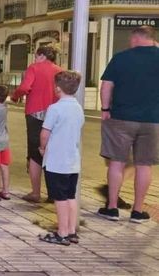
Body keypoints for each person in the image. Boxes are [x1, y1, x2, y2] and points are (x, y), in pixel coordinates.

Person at [97, 25, 159, 223]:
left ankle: (112, 208)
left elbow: (107, 85)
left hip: (120, 118)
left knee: (117, 163)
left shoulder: (121, 58)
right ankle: (138, 211)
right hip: (152, 120)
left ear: (135, 38)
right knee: (144, 165)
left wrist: (105, 109)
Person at [38, 70, 84, 246]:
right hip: (73, 161)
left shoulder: (55, 108)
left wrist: (42, 148)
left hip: (57, 162)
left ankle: (62, 233)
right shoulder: (78, 108)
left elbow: (45, 133)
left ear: (57, 88)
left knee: (60, 198)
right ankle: (71, 231)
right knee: (71, 196)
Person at [11, 45, 62, 203]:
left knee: (35, 153)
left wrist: (15, 96)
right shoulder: (60, 70)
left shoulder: (34, 68)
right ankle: (53, 194)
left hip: (35, 114)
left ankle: (35, 192)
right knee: (51, 152)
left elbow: (25, 87)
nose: (34, 59)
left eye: (36, 56)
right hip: (55, 114)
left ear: (42, 56)